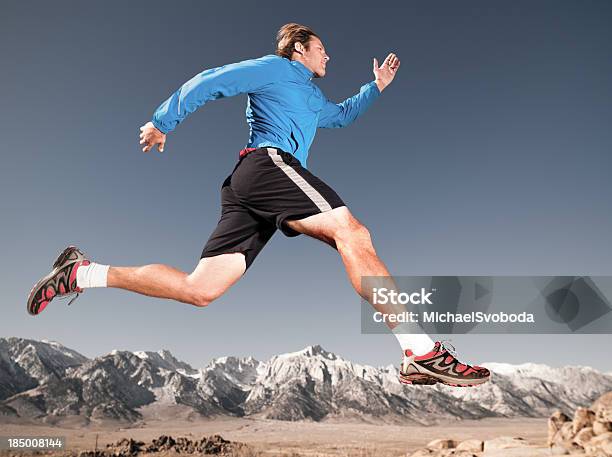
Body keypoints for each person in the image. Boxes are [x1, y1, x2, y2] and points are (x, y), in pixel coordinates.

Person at [27, 23, 489, 387]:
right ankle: (420, 351)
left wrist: (377, 86)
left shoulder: (311, 96)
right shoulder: (275, 68)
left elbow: (342, 116)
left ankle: (80, 273)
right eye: (321, 48)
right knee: (353, 233)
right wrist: (162, 122)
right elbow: (211, 81)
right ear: (298, 50)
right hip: (267, 165)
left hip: (250, 189)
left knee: (199, 290)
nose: (328, 55)